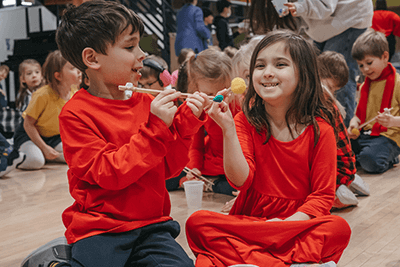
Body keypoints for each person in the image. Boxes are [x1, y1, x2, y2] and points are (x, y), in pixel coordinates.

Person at [21, 1, 211, 266]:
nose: (142, 54)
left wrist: (186, 126)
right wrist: (157, 129)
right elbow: (109, 173)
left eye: (139, 45)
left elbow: (168, 169)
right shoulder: (75, 114)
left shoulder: (146, 104)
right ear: (92, 58)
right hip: (100, 229)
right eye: (130, 46)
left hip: (152, 226)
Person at [186, 30, 351, 267]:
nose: (268, 72)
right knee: (197, 222)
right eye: (260, 65)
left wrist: (283, 225)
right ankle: (287, 261)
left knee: (338, 228)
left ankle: (251, 259)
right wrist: (228, 129)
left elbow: (322, 197)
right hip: (252, 220)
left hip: (296, 224)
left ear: (303, 74)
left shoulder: (321, 130)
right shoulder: (244, 120)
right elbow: (240, 181)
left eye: (280, 64)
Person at [283, 0, 373, 128]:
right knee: (315, 75)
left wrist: (300, 7)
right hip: (324, 25)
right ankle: (320, 125)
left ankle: (342, 132)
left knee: (335, 78)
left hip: (348, 19)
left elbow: (325, 6)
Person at [167, 49, 241, 196]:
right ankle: (206, 182)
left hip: (233, 165)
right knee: (167, 179)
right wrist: (195, 168)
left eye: (221, 93)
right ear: (195, 88)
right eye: (208, 94)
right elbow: (195, 144)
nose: (215, 99)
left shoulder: (237, 105)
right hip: (211, 165)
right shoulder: (197, 106)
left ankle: (210, 185)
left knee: (235, 186)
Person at [12, 50, 81, 170]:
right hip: (28, 135)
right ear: (58, 76)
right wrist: (43, 147)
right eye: (73, 67)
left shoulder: (75, 93)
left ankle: (44, 153)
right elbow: (28, 124)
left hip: (54, 137)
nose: (79, 71)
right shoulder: (42, 95)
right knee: (36, 162)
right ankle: (13, 157)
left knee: (77, 156)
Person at [318, 51, 370, 209]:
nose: (331, 92)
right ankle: (348, 181)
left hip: (338, 170)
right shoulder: (329, 103)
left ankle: (341, 187)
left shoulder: (323, 102)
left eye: (333, 89)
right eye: (331, 88)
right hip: (344, 167)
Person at [348, 29, 400, 174]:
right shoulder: (365, 85)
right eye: (360, 65)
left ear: (385, 56)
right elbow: (358, 115)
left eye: (369, 62)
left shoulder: (397, 83)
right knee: (338, 149)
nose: (365, 69)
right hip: (365, 135)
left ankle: (389, 158)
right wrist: (354, 123)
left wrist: (392, 121)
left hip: (388, 137)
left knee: (369, 161)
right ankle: (364, 157)